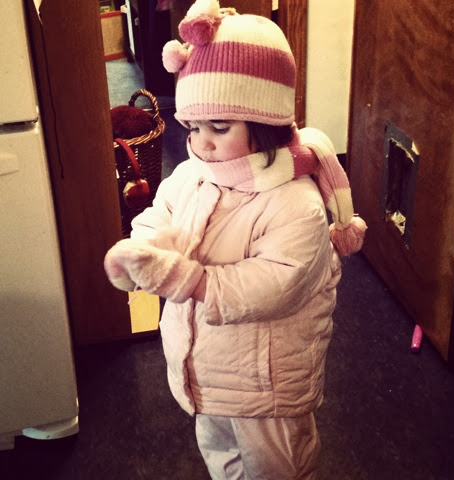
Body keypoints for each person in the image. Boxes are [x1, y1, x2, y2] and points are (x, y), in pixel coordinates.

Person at [104, 1, 366, 478]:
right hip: (205, 369)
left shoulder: (296, 203)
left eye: (220, 127)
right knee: (219, 453)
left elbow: (275, 284)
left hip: (268, 386)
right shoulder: (192, 174)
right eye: (193, 127)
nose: (201, 142)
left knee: (278, 467)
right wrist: (143, 254)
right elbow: (162, 214)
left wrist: (189, 280)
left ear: (266, 124)